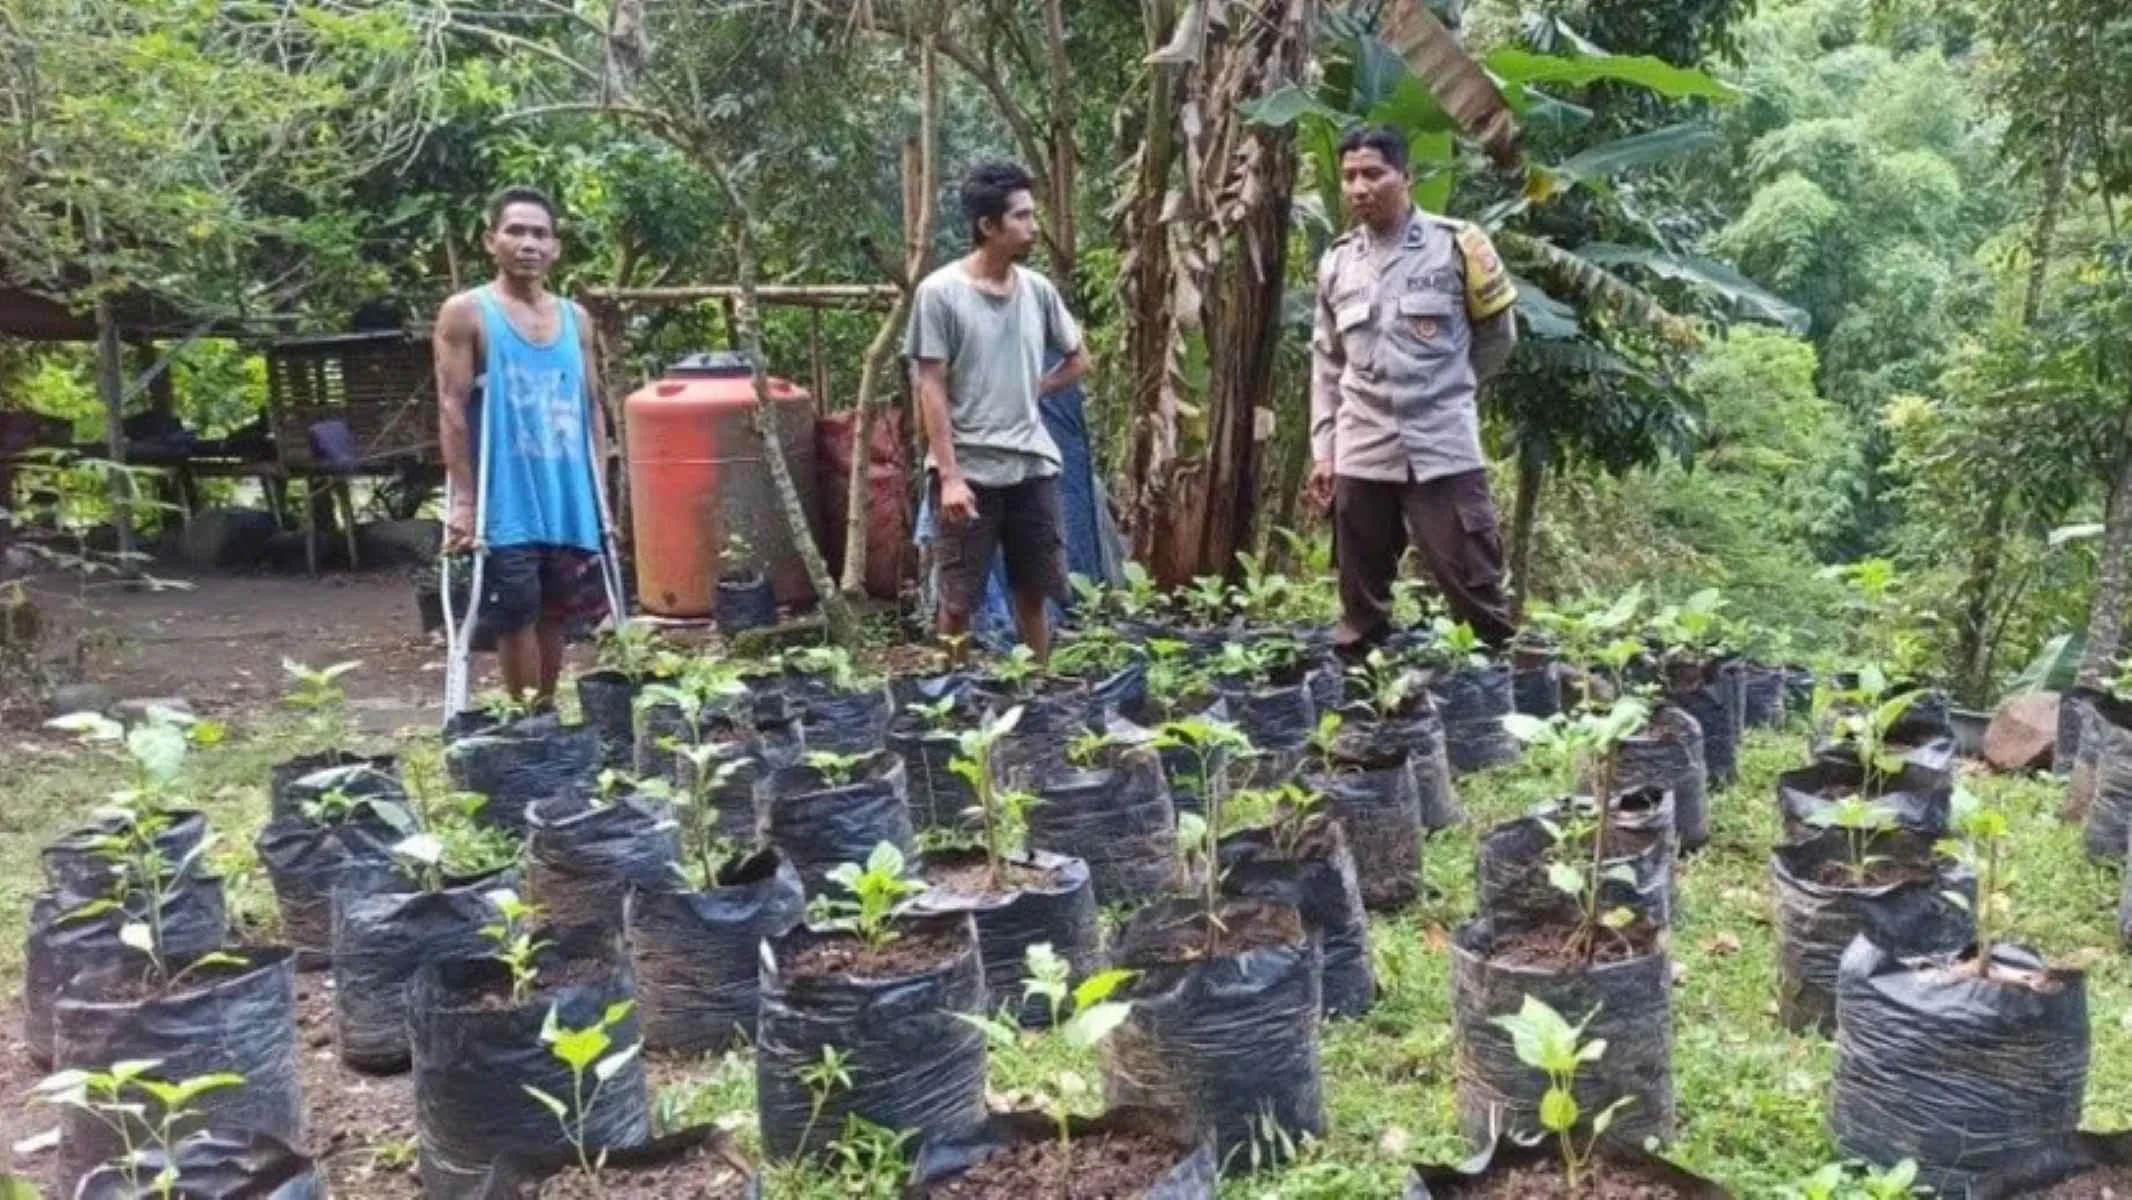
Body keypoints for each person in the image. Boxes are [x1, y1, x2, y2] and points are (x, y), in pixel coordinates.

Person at [1309, 125, 1521, 658]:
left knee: (1474, 584)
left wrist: (1449, 390)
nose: (1360, 187)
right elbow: (1328, 365)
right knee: (1360, 599)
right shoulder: (1336, 263)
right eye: (1350, 176)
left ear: (1406, 176)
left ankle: (1495, 707)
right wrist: (1324, 451)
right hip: (1363, 446)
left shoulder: (1458, 246)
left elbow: (1498, 337)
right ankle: (1367, 711)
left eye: (1373, 173)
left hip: (1442, 442)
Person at [906, 159, 1091, 665]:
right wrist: (949, 477)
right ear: (988, 227)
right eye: (1022, 217)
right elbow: (931, 385)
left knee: (1033, 592)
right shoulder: (940, 294)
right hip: (970, 470)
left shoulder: (1037, 291)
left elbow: (1080, 358)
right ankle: (953, 696)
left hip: (1032, 466)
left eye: (1033, 215)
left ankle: (1039, 691)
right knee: (958, 600)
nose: (1034, 227)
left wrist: (1036, 388)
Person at [434, 185, 612, 708]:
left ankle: (545, 713)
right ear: (492, 241)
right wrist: (464, 502)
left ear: (556, 247)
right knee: (517, 609)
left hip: (565, 490)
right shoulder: (467, 313)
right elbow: (451, 404)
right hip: (506, 493)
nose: (528, 243)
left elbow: (592, 406)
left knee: (556, 609)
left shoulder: (576, 320)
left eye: (540, 233)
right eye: (515, 231)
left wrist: (599, 491)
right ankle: (527, 716)